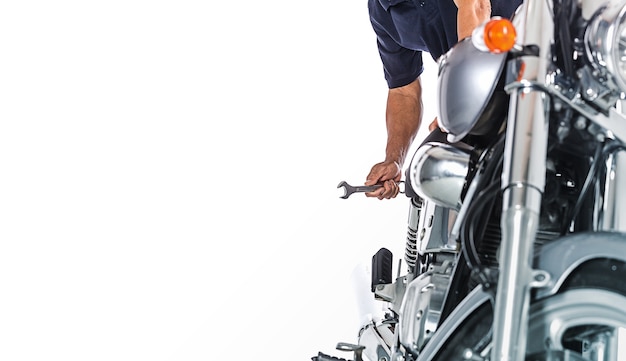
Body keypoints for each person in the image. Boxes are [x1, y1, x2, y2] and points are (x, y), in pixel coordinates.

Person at [363, 0, 522, 200]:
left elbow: (476, 6)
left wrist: (462, 101)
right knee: (425, 177)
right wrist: (394, 159)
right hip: (474, 90)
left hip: (529, 60)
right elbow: (403, 91)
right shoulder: (382, 10)